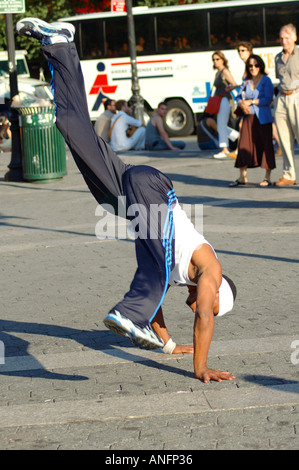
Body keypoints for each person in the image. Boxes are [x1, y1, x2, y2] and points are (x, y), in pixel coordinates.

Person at [16, 17, 237, 383]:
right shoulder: (210, 271)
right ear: (217, 297)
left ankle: (60, 45)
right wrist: (200, 367)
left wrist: (168, 346)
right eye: (205, 304)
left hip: (125, 195)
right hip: (151, 189)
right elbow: (204, 318)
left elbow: (159, 296)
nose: (196, 306)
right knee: (154, 275)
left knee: (73, 128)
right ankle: (129, 313)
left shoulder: (175, 272)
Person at [229, 55, 275, 187]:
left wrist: (252, 102)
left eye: (256, 65)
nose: (253, 68)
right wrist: (242, 104)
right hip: (248, 118)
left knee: (265, 146)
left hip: (262, 118)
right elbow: (238, 97)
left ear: (260, 66)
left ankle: (267, 177)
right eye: (250, 66)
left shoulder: (266, 81)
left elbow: (268, 99)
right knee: (244, 145)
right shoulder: (246, 81)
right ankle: (242, 177)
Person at [274, 24, 299, 186]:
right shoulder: (278, 58)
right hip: (281, 99)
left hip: (296, 97)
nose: (284, 41)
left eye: (287, 38)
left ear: (295, 38)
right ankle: (289, 174)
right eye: (282, 38)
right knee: (284, 139)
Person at [211, 51, 237, 159]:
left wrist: (229, 88)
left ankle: (225, 149)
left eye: (217, 59)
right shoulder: (218, 72)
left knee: (221, 124)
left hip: (225, 100)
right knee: (221, 125)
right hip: (219, 100)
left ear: (223, 60)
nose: (215, 61)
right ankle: (239, 136)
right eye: (214, 59)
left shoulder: (225, 71)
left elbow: (234, 84)